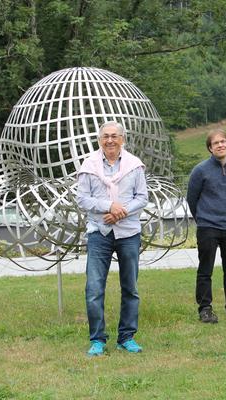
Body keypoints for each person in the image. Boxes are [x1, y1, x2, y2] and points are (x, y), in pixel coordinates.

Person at [76, 121, 148, 356]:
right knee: (94, 289)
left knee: (131, 287)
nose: (110, 140)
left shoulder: (134, 166)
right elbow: (83, 199)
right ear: (99, 140)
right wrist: (109, 205)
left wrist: (120, 211)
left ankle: (126, 338)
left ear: (122, 139)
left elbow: (142, 197)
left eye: (114, 136)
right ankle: (97, 339)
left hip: (128, 233)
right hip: (99, 233)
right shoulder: (89, 166)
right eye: (106, 136)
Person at [186, 129, 226, 323]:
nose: (220, 145)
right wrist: (203, 218)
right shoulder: (200, 170)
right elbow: (192, 198)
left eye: (223, 142)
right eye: (216, 143)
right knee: (206, 269)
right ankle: (205, 308)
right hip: (207, 227)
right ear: (210, 148)